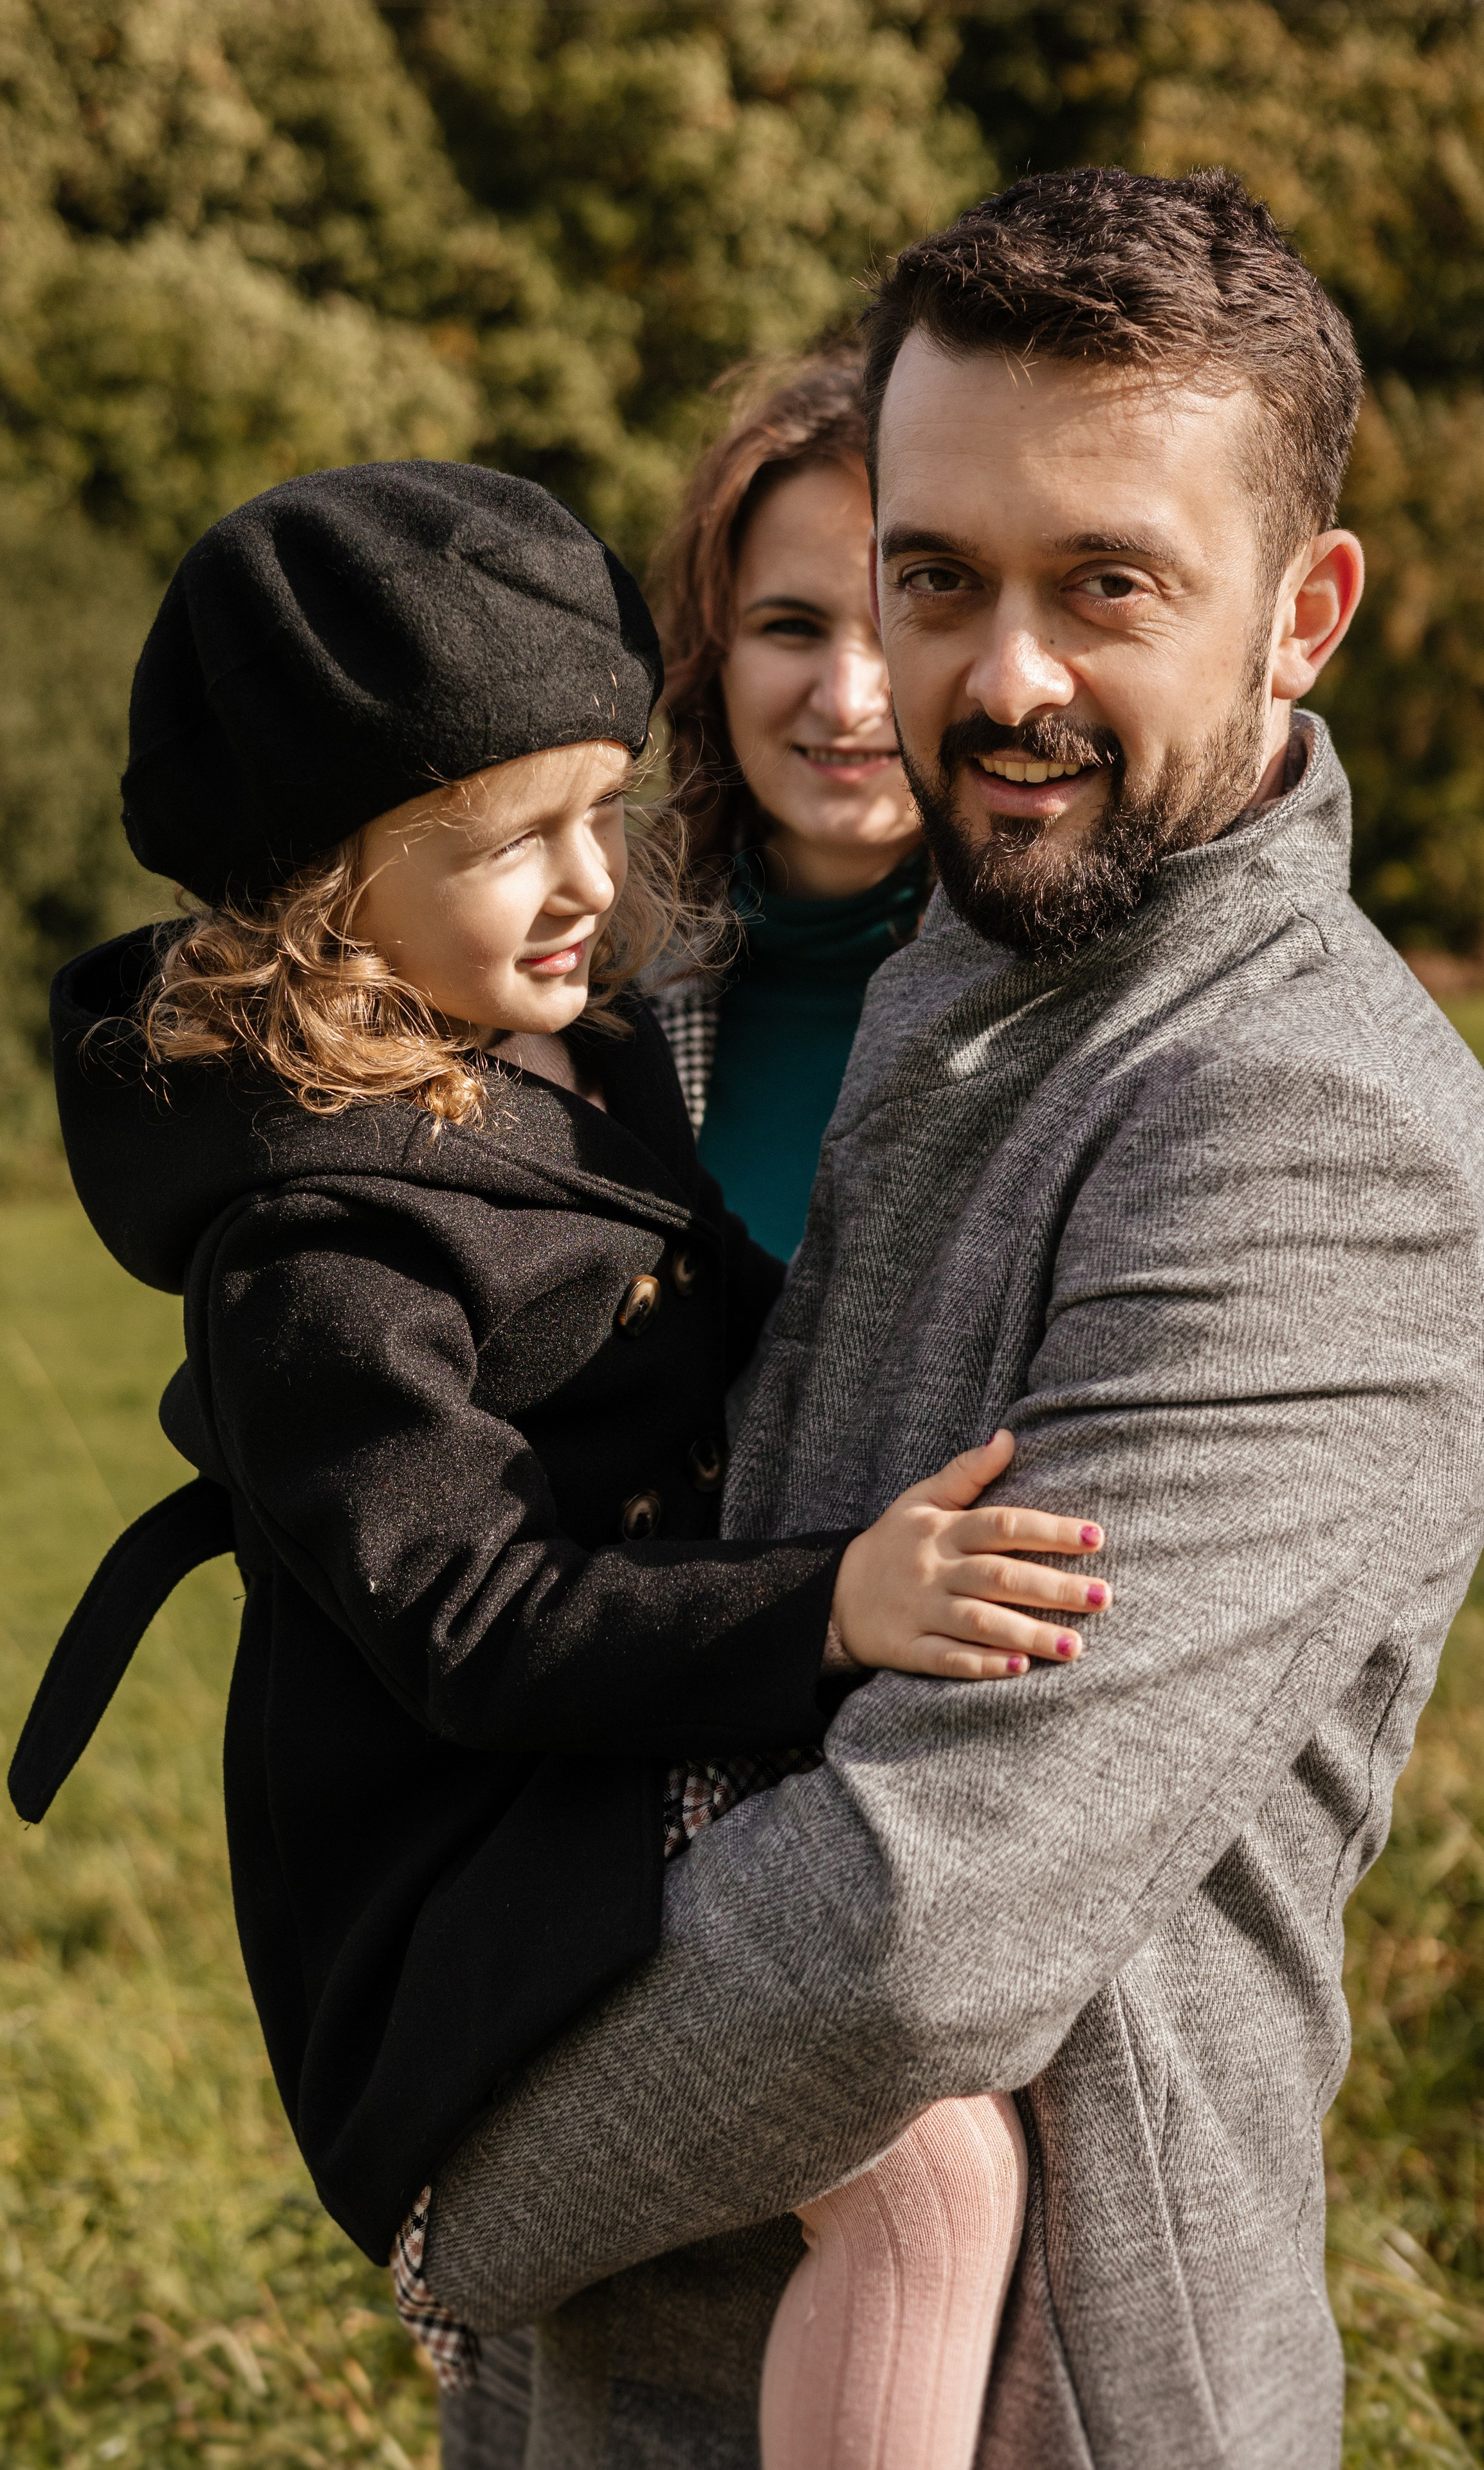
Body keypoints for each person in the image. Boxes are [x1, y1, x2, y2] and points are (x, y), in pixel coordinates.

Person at [416, 170, 1484, 2470]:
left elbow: (927, 1918)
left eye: (1107, 584)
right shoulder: (965, 967)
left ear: (1303, 615)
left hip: (1035, 2396)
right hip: (624, 2363)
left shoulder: (1310, 1125)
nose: (999, 682)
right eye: (936, 579)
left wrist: (452, 2187)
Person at [7, 463, 1115, 2460]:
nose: (597, 878)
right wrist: (833, 1602)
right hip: (465, 1890)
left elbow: (746, 1325)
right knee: (928, 2179)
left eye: (607, 806)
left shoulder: (567, 1056)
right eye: (516, 838)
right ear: (324, 878)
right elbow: (479, 1624)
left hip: (611, 1781)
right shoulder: (314, 1247)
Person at [648, 353, 926, 1258]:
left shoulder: (1078, 1013)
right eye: (791, 627)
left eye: (898, 628)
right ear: (714, 652)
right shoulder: (587, 989)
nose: (846, 700)